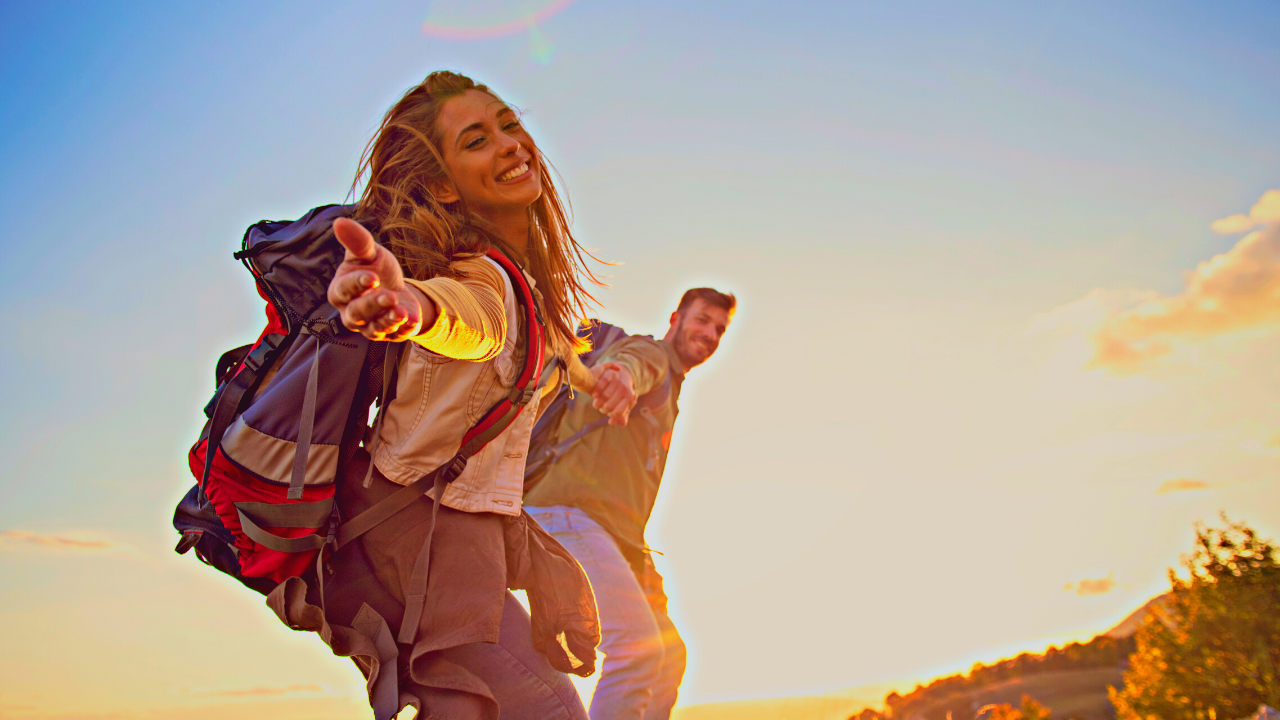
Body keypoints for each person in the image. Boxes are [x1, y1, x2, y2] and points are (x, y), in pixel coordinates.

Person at [269, 70, 621, 720]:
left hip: (437, 537)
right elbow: (469, 323)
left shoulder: (522, 285)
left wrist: (602, 378)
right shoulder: (479, 277)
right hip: (415, 537)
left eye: (509, 125)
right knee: (548, 709)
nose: (510, 145)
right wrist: (407, 305)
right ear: (438, 183)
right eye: (477, 140)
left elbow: (549, 351)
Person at [524, 288, 736, 720]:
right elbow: (633, 361)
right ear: (676, 318)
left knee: (668, 654)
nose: (711, 334)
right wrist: (619, 375)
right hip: (567, 513)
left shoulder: (671, 390)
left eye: (720, 328)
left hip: (611, 535)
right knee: (636, 653)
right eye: (703, 320)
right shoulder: (654, 355)